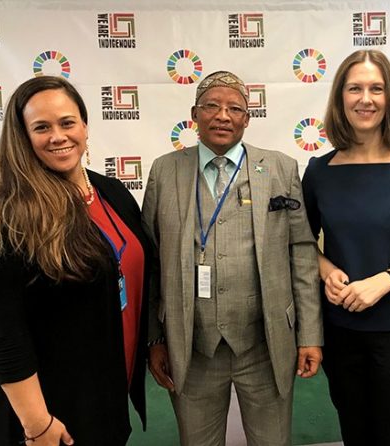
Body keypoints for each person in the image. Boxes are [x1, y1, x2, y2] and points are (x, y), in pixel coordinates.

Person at [142, 70, 323, 446]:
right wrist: (155, 338)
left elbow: (302, 253)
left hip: (265, 344)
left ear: (247, 119)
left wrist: (309, 334)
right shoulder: (164, 171)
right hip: (192, 348)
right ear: (195, 114)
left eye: (234, 108)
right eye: (212, 105)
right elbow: (152, 262)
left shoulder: (280, 168)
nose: (223, 115)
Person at [0, 76, 151, 445]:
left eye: (67, 122)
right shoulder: (7, 218)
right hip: (46, 414)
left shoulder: (111, 191)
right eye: (41, 127)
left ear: (85, 127)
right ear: (23, 137)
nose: (58, 136)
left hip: (104, 394)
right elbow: (3, 335)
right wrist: (37, 424)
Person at [302, 49, 390, 446]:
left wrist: (386, 281)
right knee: (355, 431)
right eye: (355, 88)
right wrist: (327, 271)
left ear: (389, 97)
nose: (365, 99)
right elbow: (302, 243)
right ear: (340, 97)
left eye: (376, 89)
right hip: (341, 330)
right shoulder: (318, 172)